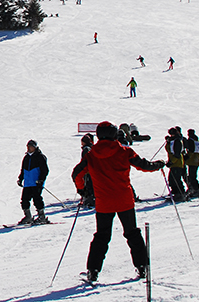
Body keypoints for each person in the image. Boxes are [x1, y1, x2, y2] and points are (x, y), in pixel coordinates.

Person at [72, 121, 165, 283]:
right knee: (132, 233)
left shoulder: (91, 154)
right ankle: (142, 267)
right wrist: (159, 165)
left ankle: (93, 271)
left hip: (103, 202)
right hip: (124, 200)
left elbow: (76, 174)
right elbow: (144, 165)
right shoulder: (124, 151)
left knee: (101, 236)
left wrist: (82, 190)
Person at [17, 140, 49, 224]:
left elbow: (44, 170)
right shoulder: (26, 157)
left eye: (30, 146)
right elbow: (23, 170)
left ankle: (42, 216)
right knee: (24, 200)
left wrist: (41, 179)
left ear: (34, 147)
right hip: (27, 183)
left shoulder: (40, 157)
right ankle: (28, 216)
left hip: (36, 182)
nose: (28, 148)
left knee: (37, 199)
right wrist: (20, 179)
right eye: (27, 146)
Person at [165, 127, 187, 201]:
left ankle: (181, 193)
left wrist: (171, 162)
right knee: (171, 179)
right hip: (174, 163)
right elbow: (168, 150)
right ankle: (175, 192)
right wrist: (168, 142)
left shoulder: (177, 141)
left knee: (176, 179)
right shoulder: (173, 140)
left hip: (177, 163)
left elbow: (177, 154)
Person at [184, 129, 199, 198]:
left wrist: (186, 157)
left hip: (192, 160)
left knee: (192, 176)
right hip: (196, 160)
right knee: (193, 176)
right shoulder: (197, 140)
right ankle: (195, 189)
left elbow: (191, 150)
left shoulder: (191, 140)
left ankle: (196, 190)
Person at [77, 134, 96, 208]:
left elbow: (85, 160)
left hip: (88, 170)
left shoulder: (86, 149)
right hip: (92, 170)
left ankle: (89, 200)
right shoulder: (92, 147)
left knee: (88, 185)